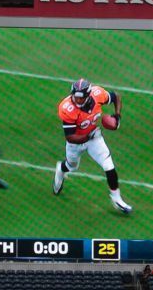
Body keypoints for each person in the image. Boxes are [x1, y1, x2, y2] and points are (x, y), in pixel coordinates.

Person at [52, 79, 130, 213]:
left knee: (109, 166)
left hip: (94, 137)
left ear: (88, 96)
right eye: (75, 97)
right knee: (72, 166)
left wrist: (117, 117)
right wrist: (87, 137)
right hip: (76, 142)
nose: (77, 100)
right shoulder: (67, 108)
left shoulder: (98, 94)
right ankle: (61, 169)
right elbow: (70, 136)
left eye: (80, 98)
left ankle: (117, 199)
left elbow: (116, 96)